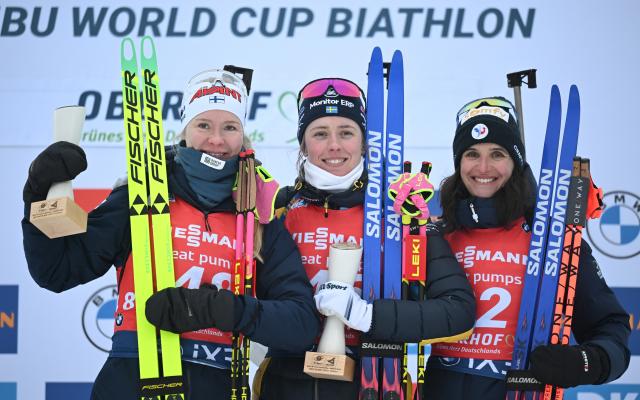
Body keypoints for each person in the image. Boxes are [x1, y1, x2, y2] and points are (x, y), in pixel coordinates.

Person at [22, 68, 319, 400]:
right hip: (130, 383)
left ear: (242, 133)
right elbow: (57, 270)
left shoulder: (258, 214)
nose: (217, 140)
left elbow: (301, 325)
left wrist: (224, 310)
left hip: (218, 385)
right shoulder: (143, 194)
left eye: (230, 127)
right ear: (186, 129)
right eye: (204, 125)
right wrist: (38, 194)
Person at [254, 77, 476, 400]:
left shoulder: (401, 212)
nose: (334, 145)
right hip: (283, 387)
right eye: (320, 133)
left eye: (346, 132)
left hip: (372, 384)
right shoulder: (278, 212)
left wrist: (368, 316)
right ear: (303, 144)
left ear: (363, 142)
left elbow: (458, 313)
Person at [424, 96, 631, 399]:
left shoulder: (551, 240)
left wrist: (586, 362)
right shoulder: (437, 234)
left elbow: (610, 324)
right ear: (458, 162)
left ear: (516, 161)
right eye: (471, 154)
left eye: (497, 154)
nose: (483, 167)